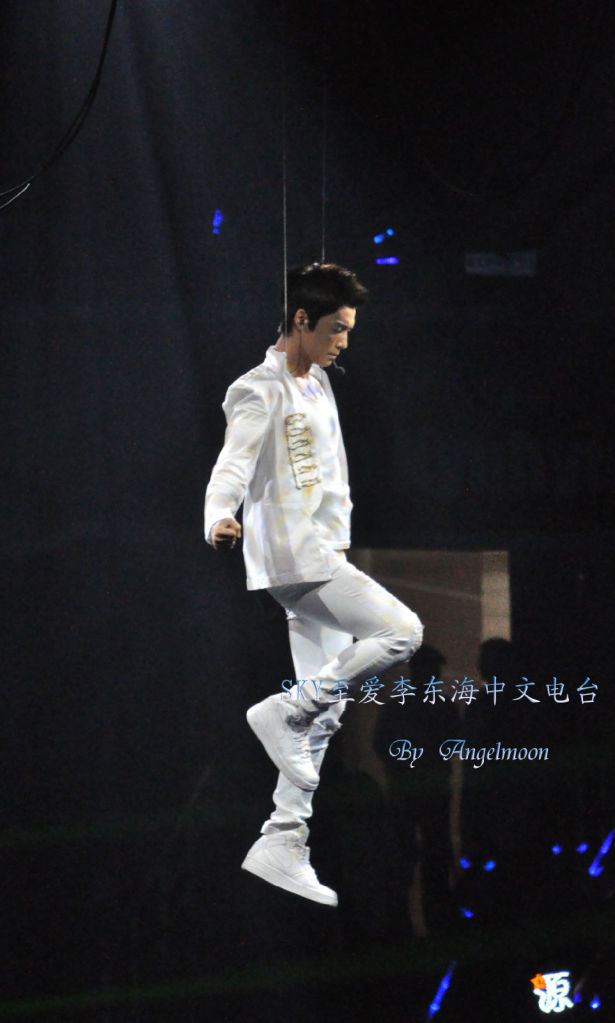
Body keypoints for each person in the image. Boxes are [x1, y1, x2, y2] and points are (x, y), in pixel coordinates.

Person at [204, 263, 423, 906]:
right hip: (297, 556)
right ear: (301, 320)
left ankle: (282, 838)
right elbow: (232, 463)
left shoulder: (318, 381)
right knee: (402, 632)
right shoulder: (257, 388)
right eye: (336, 329)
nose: (344, 342)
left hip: (323, 549)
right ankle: (285, 710)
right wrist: (218, 515)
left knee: (328, 715)